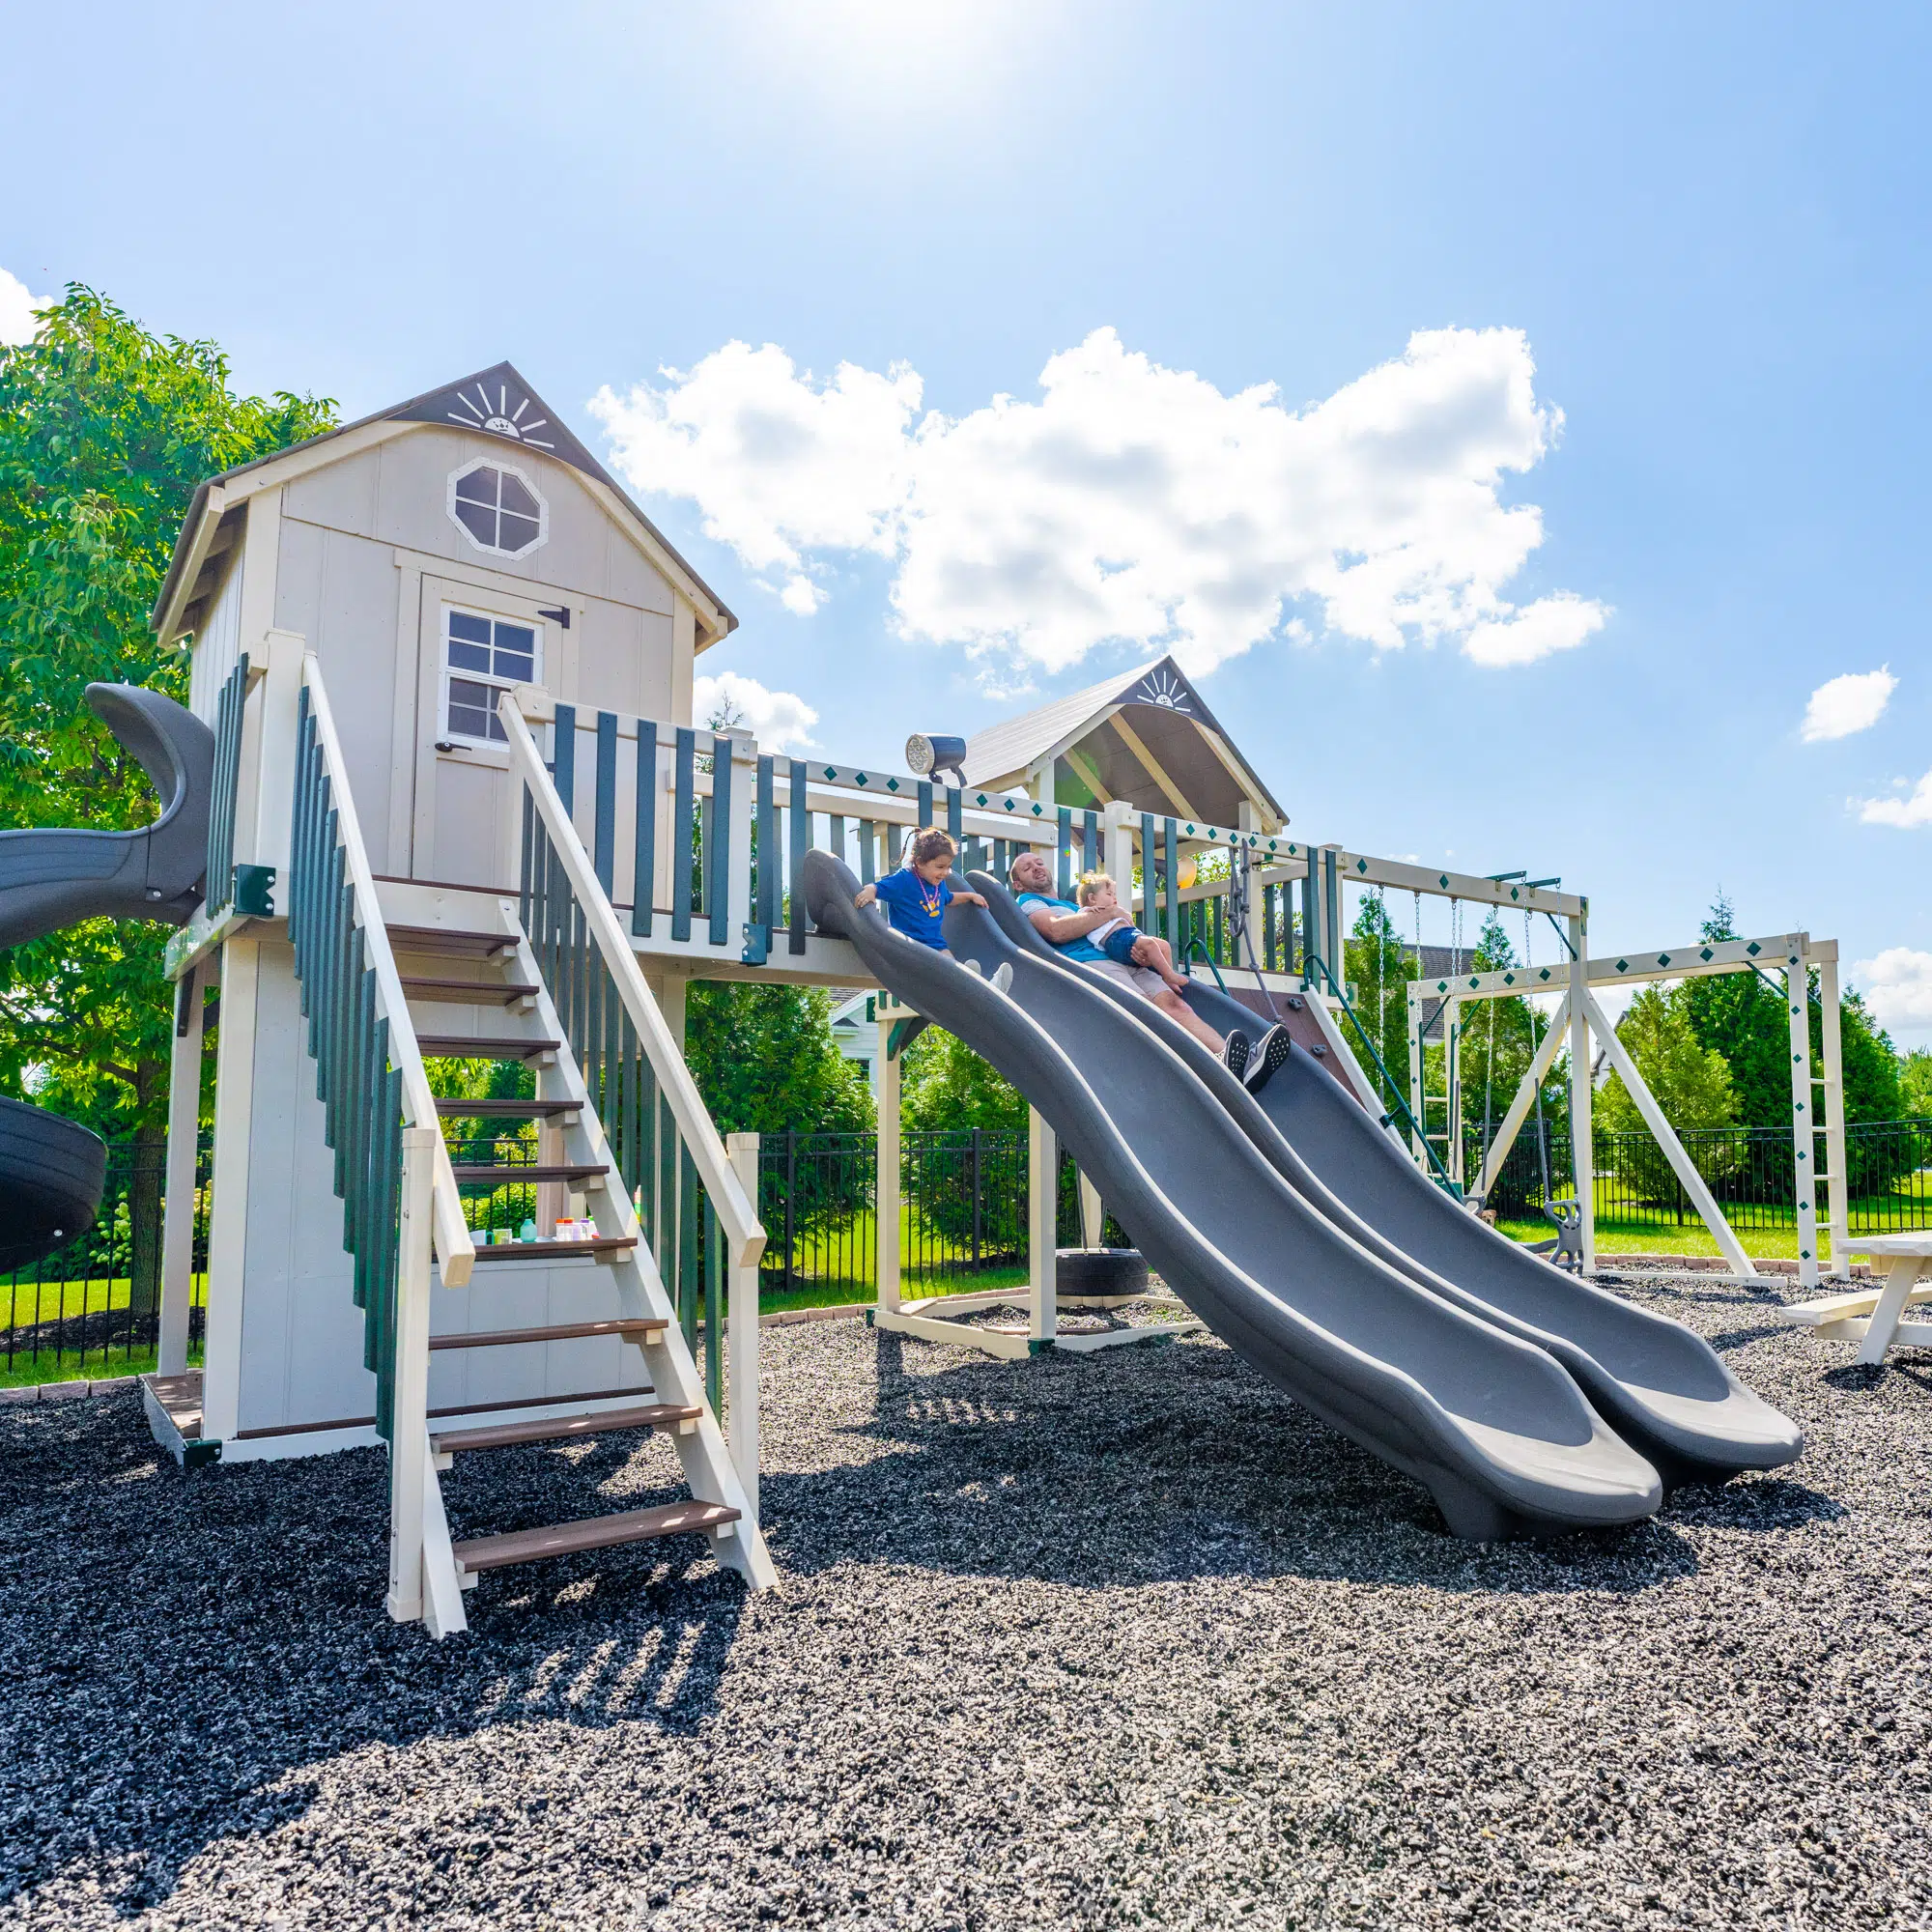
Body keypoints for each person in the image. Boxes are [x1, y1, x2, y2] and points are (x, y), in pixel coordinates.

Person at [1007, 850, 1291, 1090]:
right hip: (1092, 964)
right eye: (1027, 868)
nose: (1037, 868)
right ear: (1019, 884)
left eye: (1039, 863)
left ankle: (1229, 1061)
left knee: (1175, 1005)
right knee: (1145, 1013)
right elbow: (1057, 931)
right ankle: (1208, 1074)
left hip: (1123, 960)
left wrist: (1137, 949)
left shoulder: (1075, 903)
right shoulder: (1030, 902)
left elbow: (1108, 931)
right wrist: (1112, 913)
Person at [854, 828, 1006, 980]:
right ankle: (974, 982)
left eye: (948, 867)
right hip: (909, 945)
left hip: (935, 944)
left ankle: (983, 984)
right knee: (950, 971)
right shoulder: (904, 880)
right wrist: (869, 891)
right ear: (919, 862)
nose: (945, 872)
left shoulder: (937, 884)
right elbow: (877, 887)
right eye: (940, 867)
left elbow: (948, 898)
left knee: (952, 968)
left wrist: (970, 896)